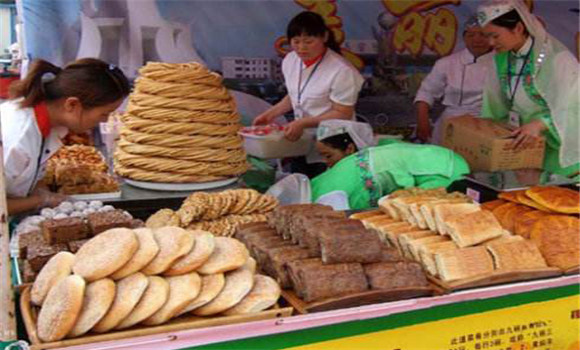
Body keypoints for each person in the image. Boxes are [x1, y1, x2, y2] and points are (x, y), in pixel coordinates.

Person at [1, 58, 130, 215]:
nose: (105, 120)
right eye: (104, 113)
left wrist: (45, 193)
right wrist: (41, 201)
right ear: (72, 105)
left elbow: (31, 177)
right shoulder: (16, 138)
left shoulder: (50, 125)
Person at [253, 11, 364, 177]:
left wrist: (302, 123)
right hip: (303, 141)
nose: (301, 48)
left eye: (308, 41)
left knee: (328, 188)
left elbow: (343, 112)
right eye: (296, 42)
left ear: (324, 37)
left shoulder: (342, 70)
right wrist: (270, 114)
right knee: (302, 182)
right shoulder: (290, 60)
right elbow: (295, 95)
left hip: (334, 143)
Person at [477, 0, 579, 178]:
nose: (490, 43)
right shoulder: (501, 59)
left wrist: (541, 124)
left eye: (495, 35)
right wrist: (487, 132)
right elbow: (493, 104)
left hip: (560, 146)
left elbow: (574, 105)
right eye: (487, 36)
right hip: (528, 146)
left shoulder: (557, 59)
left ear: (517, 28)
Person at [309, 120, 470, 210]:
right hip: (443, 158)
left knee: (422, 212)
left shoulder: (331, 188)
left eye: (328, 155)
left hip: (447, 170)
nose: (326, 162)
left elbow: (404, 187)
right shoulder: (360, 159)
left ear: (350, 148)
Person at [415, 15, 494, 144]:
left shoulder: (501, 62)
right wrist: (422, 120)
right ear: (464, 38)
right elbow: (426, 92)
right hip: (452, 121)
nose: (477, 40)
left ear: (492, 37)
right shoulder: (446, 63)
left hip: (487, 124)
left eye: (483, 35)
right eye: (471, 35)